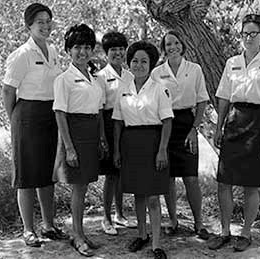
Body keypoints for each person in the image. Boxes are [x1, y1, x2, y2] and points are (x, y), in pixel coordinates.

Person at [208, 14, 260, 252]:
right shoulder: (232, 62)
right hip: (234, 120)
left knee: (251, 185)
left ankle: (245, 233)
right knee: (224, 181)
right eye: (245, 34)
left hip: (258, 123)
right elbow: (223, 97)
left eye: (254, 33)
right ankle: (224, 231)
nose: (248, 38)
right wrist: (218, 127)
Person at [2, 3, 68, 247]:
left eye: (48, 21)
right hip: (26, 116)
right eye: (40, 21)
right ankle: (28, 230)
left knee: (46, 174)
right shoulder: (22, 54)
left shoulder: (52, 51)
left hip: (49, 116)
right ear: (28, 25)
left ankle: (49, 226)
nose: (45, 25)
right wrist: (15, 121)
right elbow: (8, 91)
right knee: (27, 175)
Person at [113, 41, 173, 259]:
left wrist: (162, 150)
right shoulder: (123, 88)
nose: (139, 65)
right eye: (135, 61)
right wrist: (117, 151)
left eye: (144, 61)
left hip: (153, 142)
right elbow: (118, 122)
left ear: (151, 64)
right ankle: (142, 234)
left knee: (153, 197)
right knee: (138, 194)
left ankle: (156, 245)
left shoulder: (159, 89)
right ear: (129, 64)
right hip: (130, 144)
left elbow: (167, 121)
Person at [52, 24, 106, 257]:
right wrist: (69, 148)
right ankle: (77, 235)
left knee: (84, 185)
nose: (82, 52)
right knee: (78, 188)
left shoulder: (94, 79)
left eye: (86, 47)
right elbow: (60, 113)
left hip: (91, 134)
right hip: (74, 134)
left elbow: (99, 110)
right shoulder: (64, 79)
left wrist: (102, 139)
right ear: (68, 51)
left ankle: (81, 232)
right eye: (77, 47)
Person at [151, 30, 210, 239]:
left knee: (191, 178)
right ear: (163, 48)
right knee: (167, 178)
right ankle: (173, 220)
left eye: (176, 43)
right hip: (164, 125)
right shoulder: (157, 73)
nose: (172, 47)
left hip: (186, 124)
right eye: (168, 44)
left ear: (182, 45)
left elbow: (202, 100)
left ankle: (199, 224)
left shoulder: (194, 69)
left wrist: (194, 129)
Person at [97, 31, 135, 235]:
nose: (118, 53)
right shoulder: (101, 77)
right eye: (113, 49)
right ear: (106, 53)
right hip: (110, 124)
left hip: (128, 125)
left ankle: (120, 215)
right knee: (111, 174)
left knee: (121, 172)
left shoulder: (130, 75)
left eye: (121, 49)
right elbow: (100, 109)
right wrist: (102, 137)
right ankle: (106, 217)